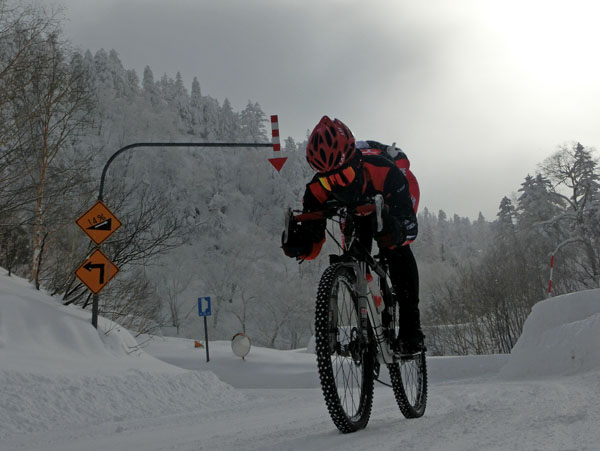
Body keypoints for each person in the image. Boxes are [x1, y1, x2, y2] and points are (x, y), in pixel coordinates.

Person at [281, 116, 424, 354]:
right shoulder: (319, 188)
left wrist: (397, 231)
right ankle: (367, 320)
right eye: (329, 181)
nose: (337, 185)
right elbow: (313, 239)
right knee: (354, 248)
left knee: (394, 246)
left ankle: (411, 328)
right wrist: (301, 245)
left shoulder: (383, 171)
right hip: (357, 209)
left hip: (390, 190)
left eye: (343, 176)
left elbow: (411, 228)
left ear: (355, 162)